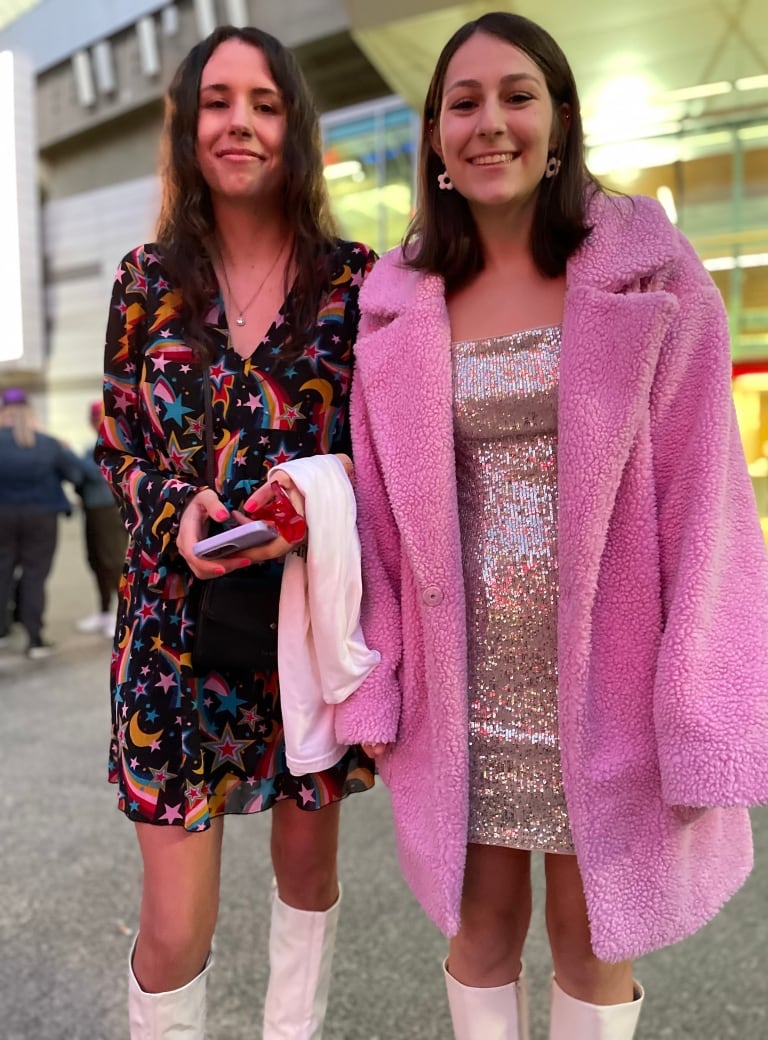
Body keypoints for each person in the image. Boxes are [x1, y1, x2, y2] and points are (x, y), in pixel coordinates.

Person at [335, 12, 768, 1040]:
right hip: (466, 676)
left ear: (561, 119)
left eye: (517, 96)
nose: (491, 122)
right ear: (436, 140)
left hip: (605, 672)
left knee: (592, 934)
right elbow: (382, 522)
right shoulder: (396, 302)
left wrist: (700, 699)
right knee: (481, 923)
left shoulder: (656, 278)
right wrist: (381, 671)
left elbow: (707, 507)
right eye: (463, 102)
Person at [95, 25, 375, 1040]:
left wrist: (308, 503)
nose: (240, 123)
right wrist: (176, 512)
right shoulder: (144, 279)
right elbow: (118, 443)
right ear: (188, 123)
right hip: (172, 639)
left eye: (264, 102)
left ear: (293, 126)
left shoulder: (354, 282)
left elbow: (386, 458)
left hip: (300, 625)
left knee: (307, 874)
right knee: (175, 921)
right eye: (218, 101)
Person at [0, 387, 82, 658]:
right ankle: (34, 640)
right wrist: (65, 448)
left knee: (2, 573)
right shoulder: (47, 443)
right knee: (35, 575)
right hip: (42, 517)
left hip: (3, 515)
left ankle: (2, 633)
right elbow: (76, 475)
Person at [73, 401, 128, 636]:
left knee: (113, 562)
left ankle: (121, 615)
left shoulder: (115, 443)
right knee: (96, 561)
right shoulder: (91, 446)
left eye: (98, 417)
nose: (94, 422)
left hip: (109, 509)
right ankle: (105, 612)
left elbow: (96, 473)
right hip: (93, 509)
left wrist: (66, 455)